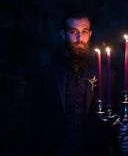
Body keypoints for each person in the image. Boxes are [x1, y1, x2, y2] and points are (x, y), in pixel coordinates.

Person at [30, 11, 121, 156]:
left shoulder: (107, 75)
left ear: (90, 34)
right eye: (74, 31)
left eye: (84, 32)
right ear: (63, 34)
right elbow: (35, 125)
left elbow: (112, 121)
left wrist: (126, 143)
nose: (80, 38)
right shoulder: (45, 75)